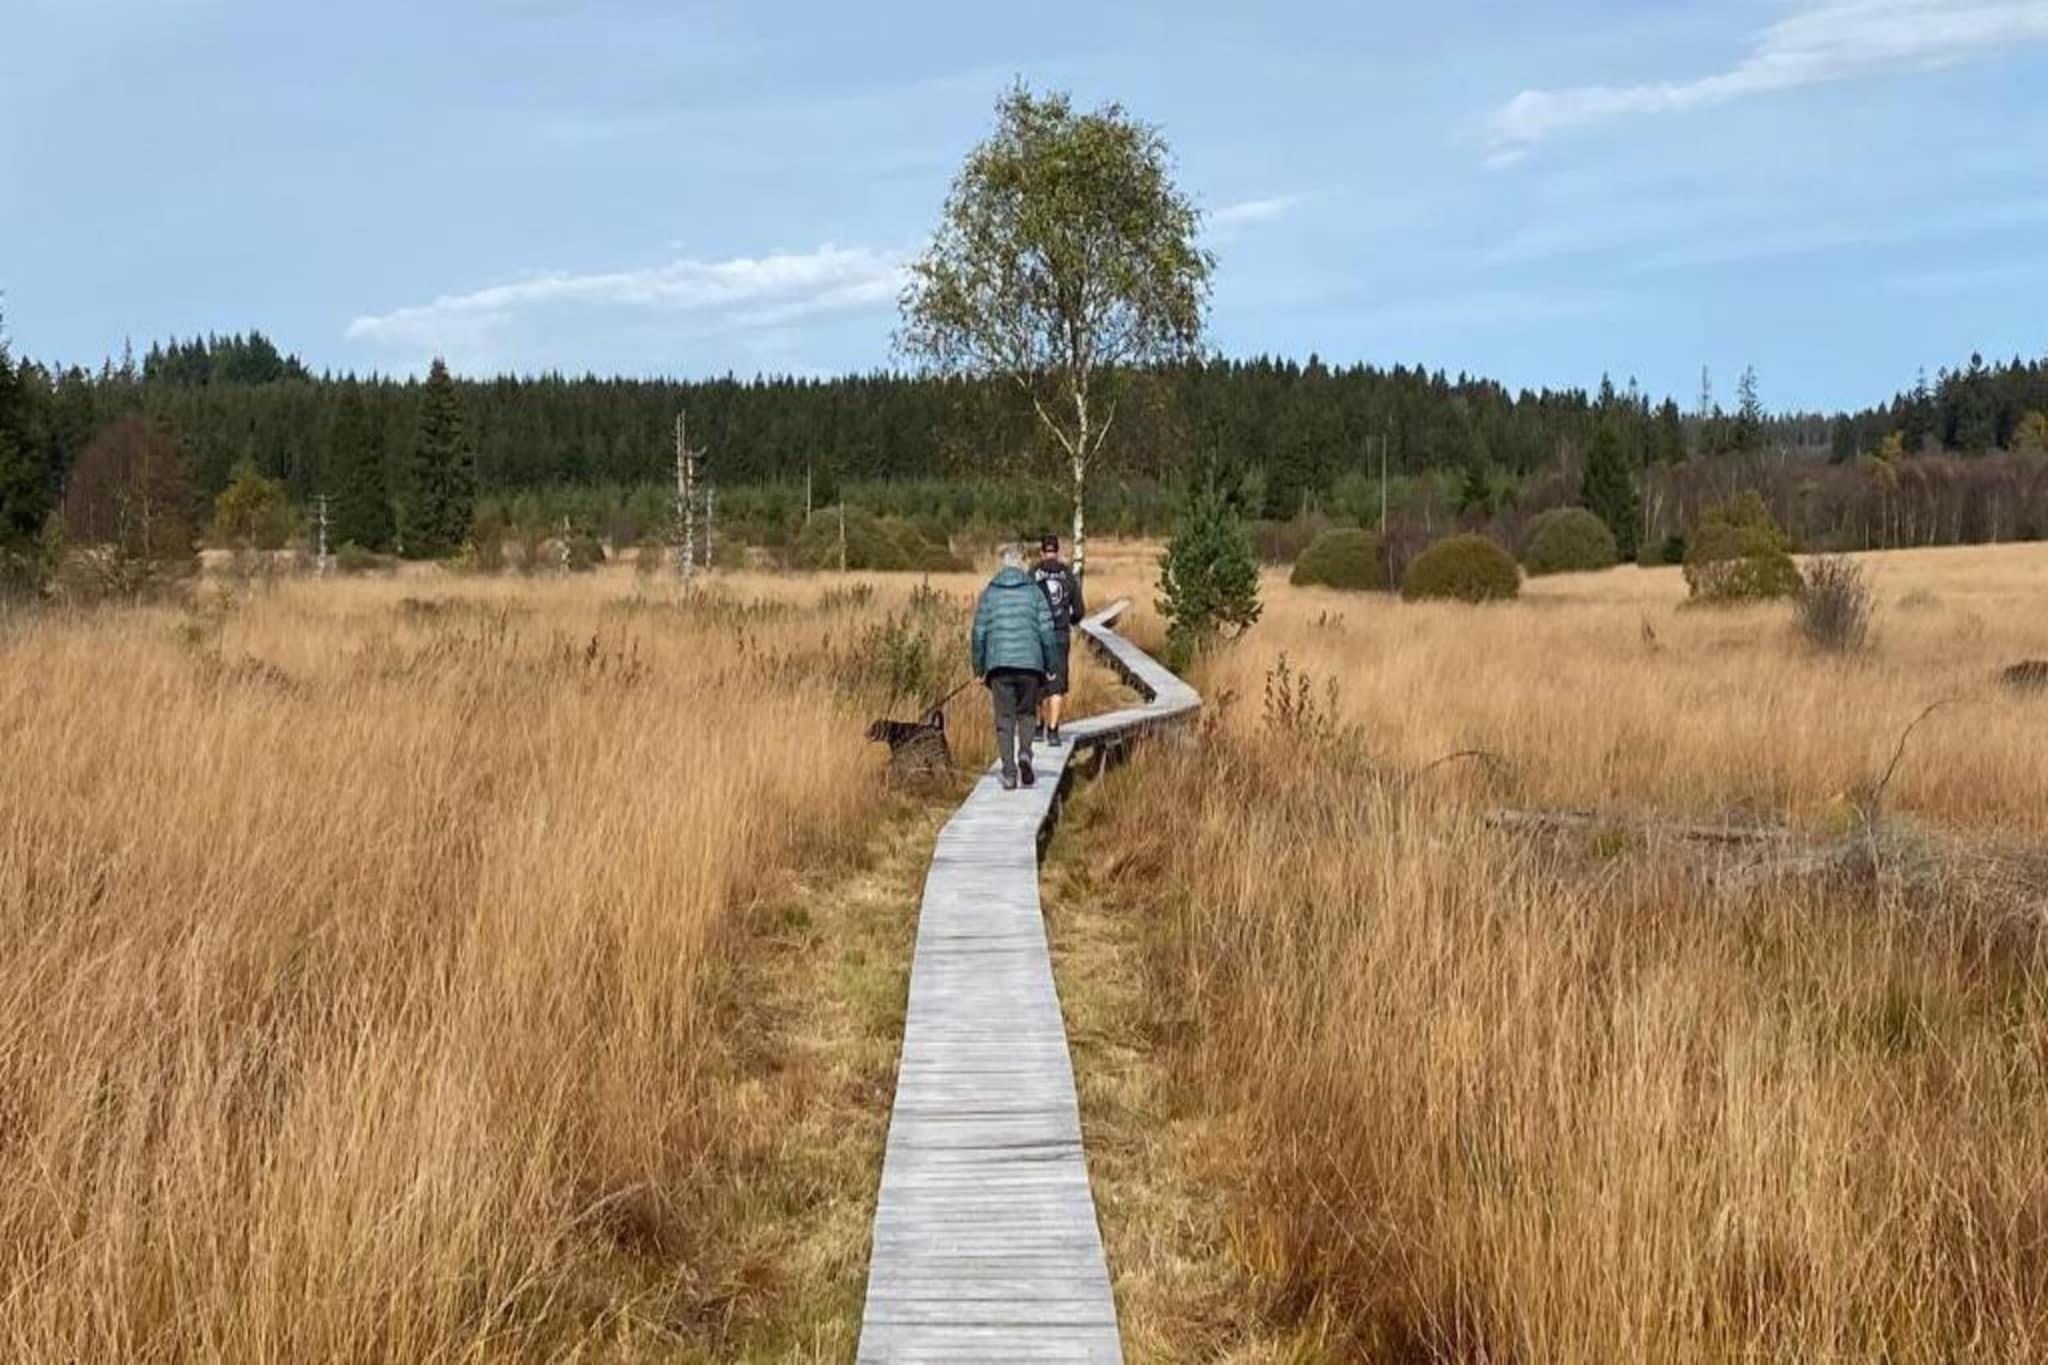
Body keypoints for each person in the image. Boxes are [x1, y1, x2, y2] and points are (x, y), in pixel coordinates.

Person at [971, 544, 1059, 791]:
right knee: (1027, 714)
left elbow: (978, 633)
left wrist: (978, 667)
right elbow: (1047, 631)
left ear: (1003, 564)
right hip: (1031, 665)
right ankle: (1025, 754)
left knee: (1004, 719)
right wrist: (1051, 664)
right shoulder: (1034, 593)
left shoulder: (990, 593)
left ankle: (1009, 773)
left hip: (999, 666)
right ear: (1023, 564)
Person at [1031, 533, 1084, 746]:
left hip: (1037, 635)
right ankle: (1053, 731)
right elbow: (1079, 610)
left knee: (1036, 681)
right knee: (1057, 684)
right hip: (1060, 635)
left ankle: (1038, 726)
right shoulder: (1067, 574)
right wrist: (1070, 621)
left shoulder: (1033, 573)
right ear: (1057, 551)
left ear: (1042, 551)